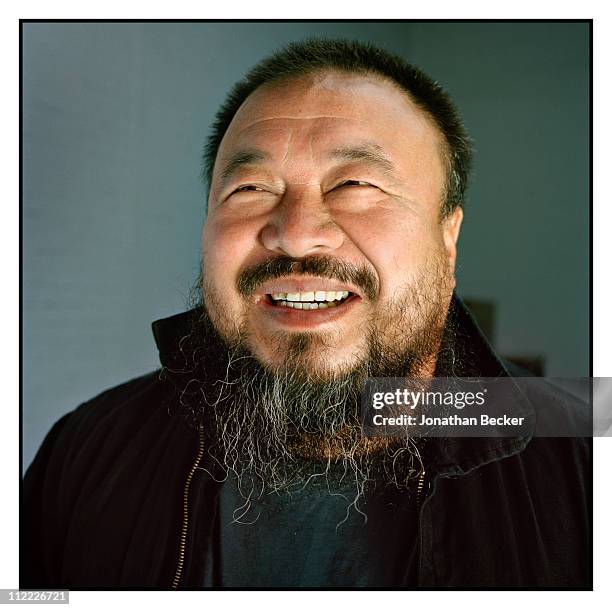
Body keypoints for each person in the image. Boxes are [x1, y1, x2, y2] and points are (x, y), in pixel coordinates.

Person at [21, 38, 591, 589]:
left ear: (448, 238)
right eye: (250, 188)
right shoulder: (86, 448)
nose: (295, 234)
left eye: (355, 183)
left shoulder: (585, 458)